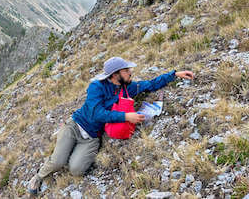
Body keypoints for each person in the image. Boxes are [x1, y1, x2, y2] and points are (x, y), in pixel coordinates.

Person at [28, 57, 194, 195]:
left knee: (76, 170)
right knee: (57, 162)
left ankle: (66, 151)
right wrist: (125, 116)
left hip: (92, 136)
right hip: (75, 126)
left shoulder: (127, 87)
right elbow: (96, 114)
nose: (130, 73)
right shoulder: (96, 87)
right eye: (126, 70)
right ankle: (38, 177)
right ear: (115, 74)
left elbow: (150, 84)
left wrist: (175, 74)